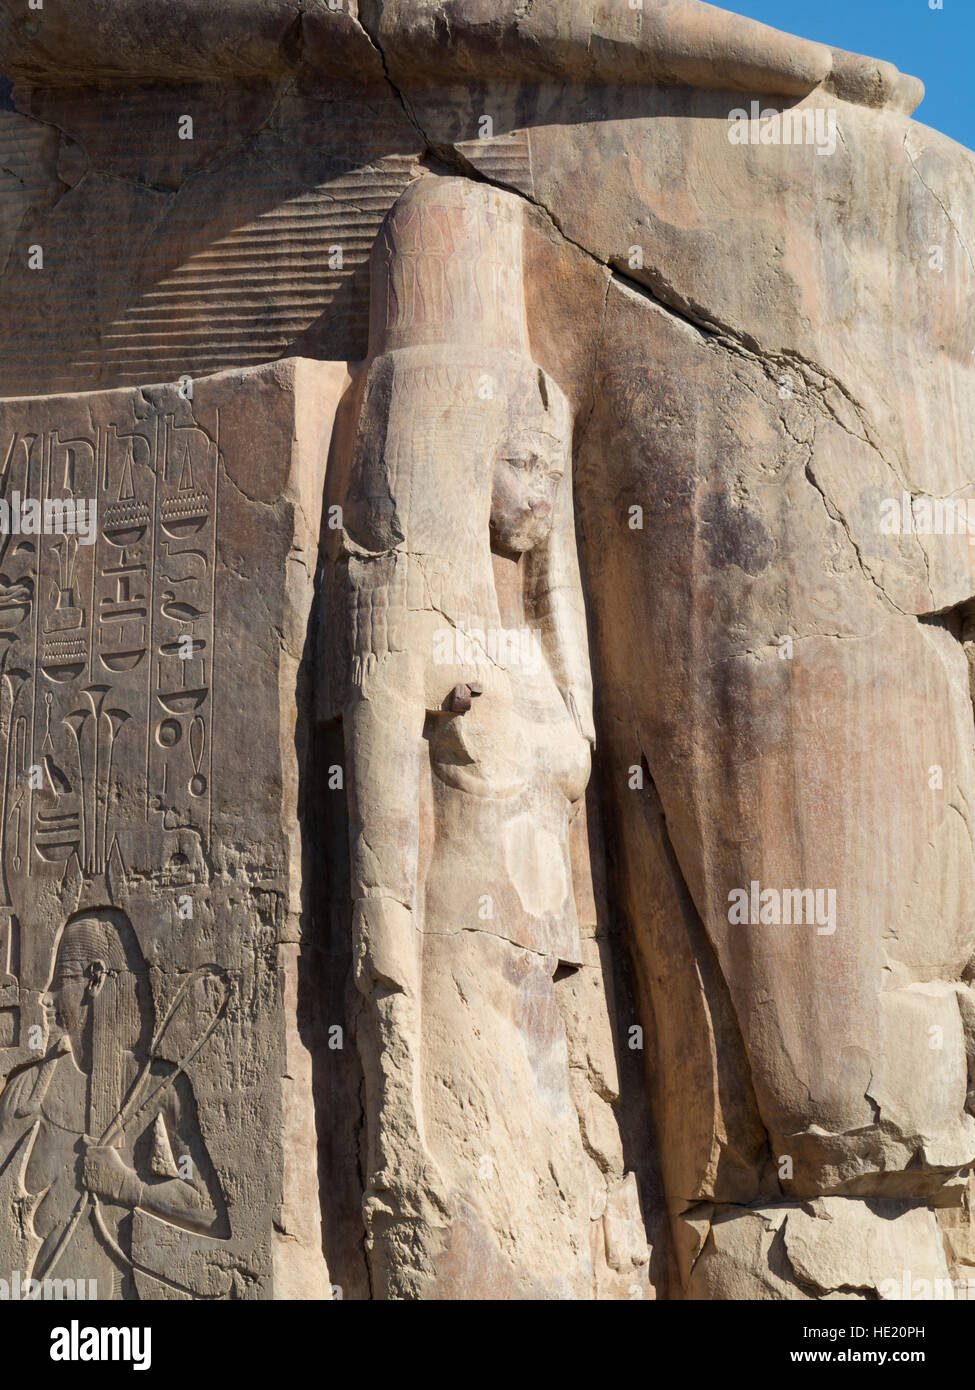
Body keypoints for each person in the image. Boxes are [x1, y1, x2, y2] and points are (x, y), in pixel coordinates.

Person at [0, 909, 228, 1299]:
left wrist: (128, 1186)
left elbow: (208, 1212)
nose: (47, 997)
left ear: (96, 979)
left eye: (62, 980)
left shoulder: (160, 1087)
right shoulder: (30, 1088)